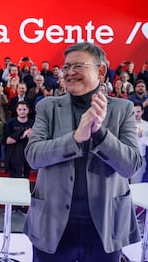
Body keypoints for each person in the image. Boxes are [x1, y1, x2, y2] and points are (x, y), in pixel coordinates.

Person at [23, 42, 142, 261]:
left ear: (101, 70)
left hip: (105, 226)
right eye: (66, 67)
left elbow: (131, 165)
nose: (69, 72)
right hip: (52, 224)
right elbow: (33, 156)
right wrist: (75, 139)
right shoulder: (47, 107)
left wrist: (100, 133)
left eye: (78, 65)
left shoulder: (121, 109)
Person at [4, 101, 33, 178]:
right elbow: (7, 141)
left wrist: (32, 136)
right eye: (20, 109)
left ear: (28, 110)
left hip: (28, 156)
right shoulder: (11, 122)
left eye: (24, 109)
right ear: (16, 110)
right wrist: (22, 135)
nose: (22, 111)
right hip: (13, 156)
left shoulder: (33, 123)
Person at [130, 102, 148, 183]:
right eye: (133, 112)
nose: (136, 114)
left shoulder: (146, 125)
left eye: (138, 111)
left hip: (140, 158)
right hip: (125, 157)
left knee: (135, 184)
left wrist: (141, 137)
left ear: (142, 112)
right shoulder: (126, 124)